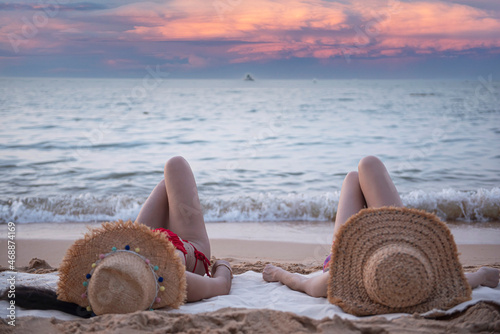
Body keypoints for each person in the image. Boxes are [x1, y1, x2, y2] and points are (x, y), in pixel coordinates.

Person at [3, 156, 233, 317]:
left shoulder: (102, 280)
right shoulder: (178, 282)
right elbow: (221, 285)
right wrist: (223, 264)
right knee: (175, 166)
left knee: (170, 181)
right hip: (189, 243)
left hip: (137, 242)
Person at [263, 156, 499, 303]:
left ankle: (390, 242)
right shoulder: (425, 280)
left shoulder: (338, 282)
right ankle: (394, 244)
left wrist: (277, 273)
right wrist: (482, 275)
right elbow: (460, 280)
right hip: (404, 252)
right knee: (366, 166)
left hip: (362, 254)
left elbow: (301, 283)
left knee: (355, 176)